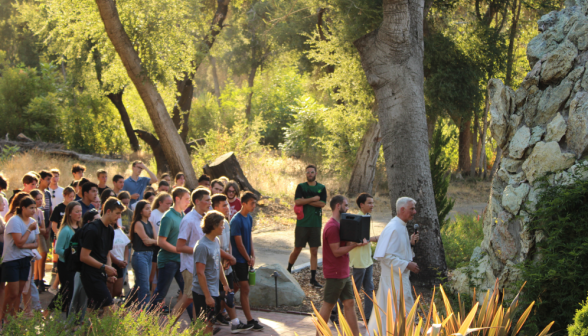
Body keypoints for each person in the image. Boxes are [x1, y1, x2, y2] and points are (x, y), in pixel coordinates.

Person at [366, 197, 420, 335]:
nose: (415, 212)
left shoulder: (400, 226)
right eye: (412, 209)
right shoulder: (394, 228)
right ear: (402, 209)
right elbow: (386, 257)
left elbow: (397, 252)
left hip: (398, 279)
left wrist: (410, 244)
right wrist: (407, 264)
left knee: (395, 314)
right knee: (400, 313)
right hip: (394, 282)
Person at [317, 195, 367, 336]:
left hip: (343, 272)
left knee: (350, 303)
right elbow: (337, 251)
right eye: (346, 205)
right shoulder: (332, 227)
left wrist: (358, 242)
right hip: (335, 273)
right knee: (328, 305)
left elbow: (345, 244)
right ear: (338, 206)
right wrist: (355, 245)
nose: (348, 208)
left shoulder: (340, 225)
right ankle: (318, 334)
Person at [211, 193, 250, 332]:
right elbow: (214, 247)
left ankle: (234, 323)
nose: (228, 207)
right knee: (213, 297)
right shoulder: (212, 224)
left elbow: (229, 244)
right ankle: (207, 324)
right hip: (215, 267)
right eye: (224, 205)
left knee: (229, 293)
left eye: (227, 204)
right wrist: (229, 256)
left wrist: (230, 257)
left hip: (226, 266)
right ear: (215, 207)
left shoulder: (226, 222)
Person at [80, 197, 122, 315]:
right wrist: (104, 267)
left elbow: (107, 254)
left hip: (100, 274)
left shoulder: (110, 230)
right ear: (108, 211)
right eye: (117, 213)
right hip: (90, 275)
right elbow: (84, 256)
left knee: (92, 310)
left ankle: (84, 332)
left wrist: (108, 271)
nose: (119, 217)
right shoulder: (92, 229)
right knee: (110, 309)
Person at [151, 187, 191, 312]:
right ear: (177, 199)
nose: (188, 202)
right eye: (186, 199)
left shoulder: (183, 215)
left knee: (188, 293)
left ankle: (197, 325)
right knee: (160, 293)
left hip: (181, 261)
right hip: (168, 261)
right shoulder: (168, 217)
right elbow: (161, 241)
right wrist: (178, 250)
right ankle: (146, 323)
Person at [192, 211, 232, 334]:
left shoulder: (215, 241)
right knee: (205, 325)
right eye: (221, 224)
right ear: (214, 226)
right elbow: (200, 273)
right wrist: (207, 296)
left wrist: (225, 283)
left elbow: (217, 263)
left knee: (209, 324)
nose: (223, 227)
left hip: (213, 290)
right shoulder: (202, 246)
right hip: (203, 293)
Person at [172, 188, 210, 319]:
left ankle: (196, 330)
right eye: (207, 200)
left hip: (201, 266)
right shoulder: (188, 220)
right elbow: (179, 247)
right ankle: (166, 327)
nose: (210, 203)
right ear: (197, 201)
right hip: (190, 267)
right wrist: (200, 249)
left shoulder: (205, 218)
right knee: (188, 298)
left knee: (197, 300)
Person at [287, 164, 327, 289]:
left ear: (316, 173)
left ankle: (313, 279)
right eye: (308, 172)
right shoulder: (301, 187)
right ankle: (288, 271)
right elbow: (298, 201)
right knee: (297, 248)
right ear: (306, 174)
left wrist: (307, 200)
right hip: (302, 223)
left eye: (312, 172)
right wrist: (314, 199)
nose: (310, 174)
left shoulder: (321, 188)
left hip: (315, 224)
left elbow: (322, 203)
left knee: (314, 251)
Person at [230, 191, 263, 331]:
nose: (254, 206)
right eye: (252, 203)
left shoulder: (249, 218)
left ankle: (222, 308)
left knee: (235, 288)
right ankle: (250, 320)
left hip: (246, 259)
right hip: (238, 260)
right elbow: (239, 244)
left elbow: (249, 237)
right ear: (243, 203)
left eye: (255, 203)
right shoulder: (236, 220)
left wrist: (253, 255)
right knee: (245, 288)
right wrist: (247, 258)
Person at [44, 201, 83, 319]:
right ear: (69, 213)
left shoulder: (80, 227)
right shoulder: (66, 230)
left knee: (68, 290)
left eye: (80, 211)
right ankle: (65, 316)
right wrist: (70, 254)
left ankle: (51, 311)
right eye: (76, 211)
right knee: (68, 290)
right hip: (65, 264)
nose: (79, 214)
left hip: (77, 264)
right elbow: (58, 249)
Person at [1, 196, 38, 320]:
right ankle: (2, 319)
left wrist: (25, 245)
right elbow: (19, 243)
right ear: (23, 208)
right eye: (31, 208)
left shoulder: (33, 222)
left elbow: (36, 244)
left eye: (35, 208)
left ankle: (13, 319)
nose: (34, 210)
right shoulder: (14, 221)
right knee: (13, 293)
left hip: (25, 260)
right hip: (12, 260)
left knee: (19, 293)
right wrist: (28, 230)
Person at [348, 193, 379, 320]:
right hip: (359, 261)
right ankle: (335, 312)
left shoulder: (366, 217)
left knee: (369, 289)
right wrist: (375, 238)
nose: (372, 205)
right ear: (362, 205)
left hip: (367, 260)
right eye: (369, 203)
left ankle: (369, 317)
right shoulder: (358, 220)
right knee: (354, 290)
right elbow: (358, 240)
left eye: (372, 202)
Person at [67, 209, 100, 322]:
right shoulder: (82, 233)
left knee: (88, 300)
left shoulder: (98, 233)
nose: (99, 222)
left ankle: (83, 324)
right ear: (89, 221)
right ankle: (72, 325)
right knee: (77, 299)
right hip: (81, 272)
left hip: (94, 271)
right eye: (97, 220)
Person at [48, 186, 76, 294]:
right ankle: (56, 286)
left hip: (70, 241)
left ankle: (57, 287)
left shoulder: (74, 208)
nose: (72, 199)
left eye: (73, 197)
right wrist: (60, 235)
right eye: (70, 197)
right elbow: (54, 226)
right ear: (64, 196)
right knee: (61, 262)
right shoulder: (59, 208)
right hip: (60, 238)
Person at [129, 200, 157, 308]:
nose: (149, 211)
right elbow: (146, 241)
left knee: (139, 285)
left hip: (149, 255)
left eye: (150, 208)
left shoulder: (150, 223)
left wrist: (153, 241)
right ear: (140, 211)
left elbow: (156, 240)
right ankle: (143, 312)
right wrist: (153, 241)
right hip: (140, 255)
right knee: (144, 286)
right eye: (146, 208)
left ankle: (124, 306)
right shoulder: (138, 223)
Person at [148, 192, 172, 293]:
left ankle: (159, 301)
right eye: (167, 203)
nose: (169, 206)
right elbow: (149, 229)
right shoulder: (153, 214)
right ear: (160, 203)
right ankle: (154, 299)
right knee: (153, 276)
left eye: (171, 203)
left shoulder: (170, 214)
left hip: (166, 246)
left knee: (162, 276)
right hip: (155, 247)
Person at [108, 214, 130, 299]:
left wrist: (125, 260)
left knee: (117, 291)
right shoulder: (105, 231)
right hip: (110, 263)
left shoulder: (119, 230)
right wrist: (117, 262)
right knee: (109, 290)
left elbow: (126, 245)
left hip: (121, 264)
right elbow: (107, 251)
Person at [30, 190, 48, 293]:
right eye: (37, 199)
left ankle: (40, 279)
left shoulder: (40, 212)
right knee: (33, 256)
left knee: (43, 253)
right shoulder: (29, 211)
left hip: (39, 235)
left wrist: (35, 227)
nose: (40, 201)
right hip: (31, 235)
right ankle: (35, 279)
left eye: (41, 198)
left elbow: (43, 229)